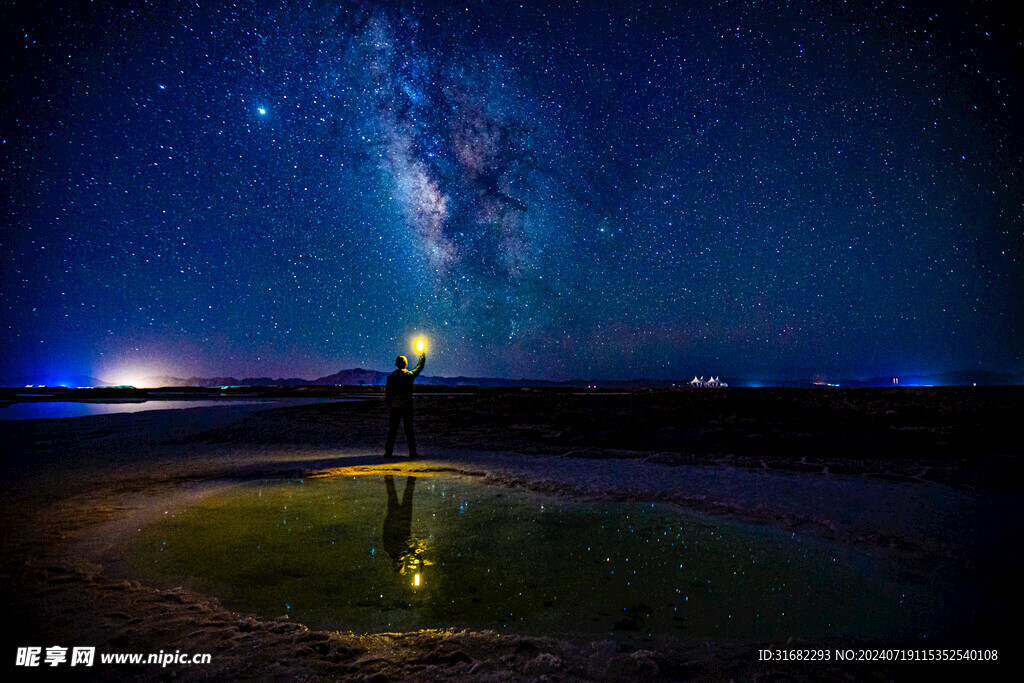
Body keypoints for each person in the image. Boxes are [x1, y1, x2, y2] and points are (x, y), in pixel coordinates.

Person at [384, 349, 425, 457]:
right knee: (409, 430)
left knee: (392, 431)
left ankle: (388, 452)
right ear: (406, 364)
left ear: (396, 365)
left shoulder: (391, 378)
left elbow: (388, 393)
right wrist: (422, 354)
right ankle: (412, 452)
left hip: (394, 407)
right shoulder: (409, 376)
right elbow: (419, 367)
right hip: (406, 407)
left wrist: (388, 405)